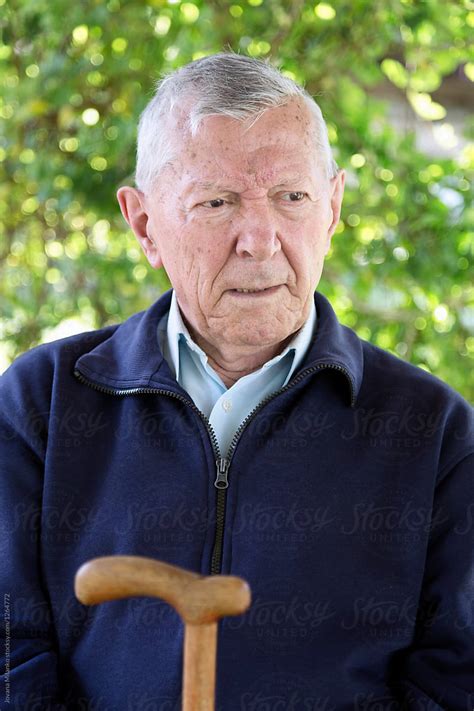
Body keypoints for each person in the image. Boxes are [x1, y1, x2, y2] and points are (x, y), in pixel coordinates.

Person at [0, 52, 473, 709]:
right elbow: (8, 657)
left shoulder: (435, 432)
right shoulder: (40, 404)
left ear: (332, 209)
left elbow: (456, 680)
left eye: (293, 197)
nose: (261, 238)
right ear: (143, 224)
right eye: (216, 201)